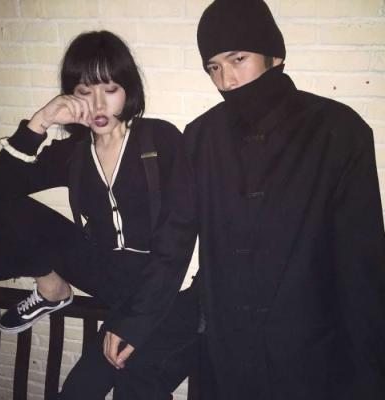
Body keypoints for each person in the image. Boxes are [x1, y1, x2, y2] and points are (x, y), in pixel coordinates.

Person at [109, 1, 385, 399]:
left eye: (238, 59)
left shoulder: (339, 131)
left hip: (310, 353)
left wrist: (370, 377)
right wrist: (135, 321)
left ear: (274, 55)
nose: (227, 80)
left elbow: (361, 264)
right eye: (214, 68)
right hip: (225, 349)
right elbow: (173, 241)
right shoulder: (201, 137)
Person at [0, 30, 199, 399]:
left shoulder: (160, 139)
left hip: (157, 282)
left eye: (110, 89)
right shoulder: (74, 151)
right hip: (104, 270)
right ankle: (52, 290)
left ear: (128, 91)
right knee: (0, 204)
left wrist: (134, 322)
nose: (98, 104)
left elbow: (178, 239)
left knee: (84, 389)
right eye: (85, 91)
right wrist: (41, 121)